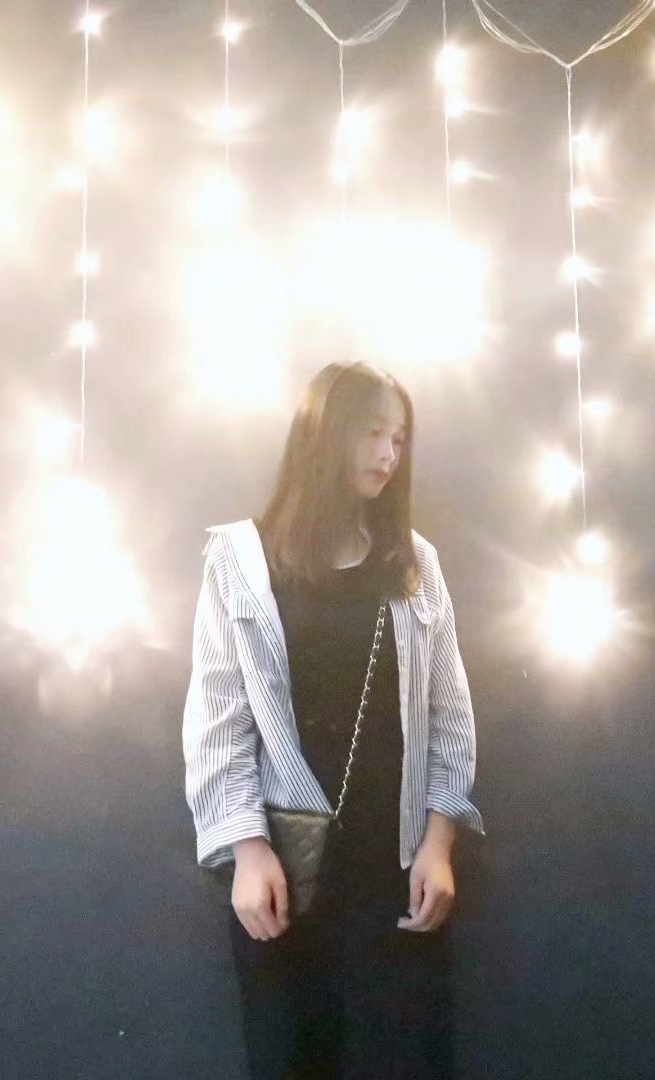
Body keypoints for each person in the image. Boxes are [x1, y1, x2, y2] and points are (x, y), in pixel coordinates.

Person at [182, 360, 485, 1079]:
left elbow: (450, 714)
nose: (389, 454)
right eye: (373, 433)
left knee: (405, 1060)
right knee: (290, 1060)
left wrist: (439, 842)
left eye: (399, 438)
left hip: (396, 871)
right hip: (286, 876)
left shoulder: (413, 564)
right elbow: (219, 721)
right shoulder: (240, 562)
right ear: (326, 433)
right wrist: (247, 852)